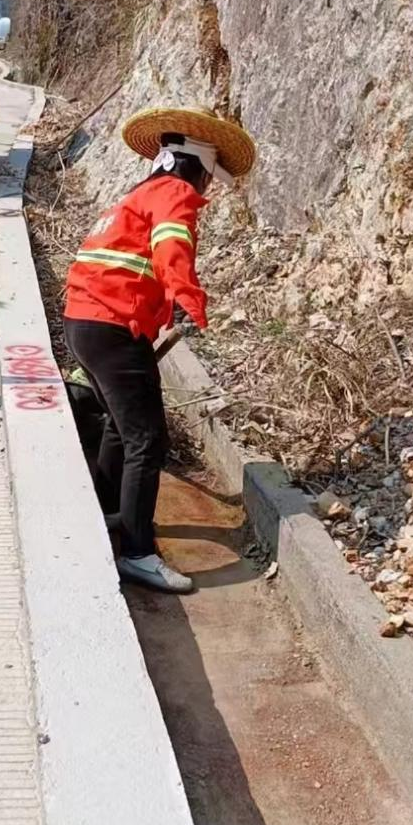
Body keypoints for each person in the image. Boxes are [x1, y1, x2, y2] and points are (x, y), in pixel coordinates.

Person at [63, 106, 256, 594]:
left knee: (118, 425)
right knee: (147, 440)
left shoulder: (138, 195)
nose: (205, 190)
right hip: (111, 330)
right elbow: (171, 247)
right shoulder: (175, 194)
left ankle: (109, 511)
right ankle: (138, 553)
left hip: (83, 324)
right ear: (195, 167)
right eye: (208, 178)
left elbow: (134, 262)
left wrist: (164, 304)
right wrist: (189, 296)